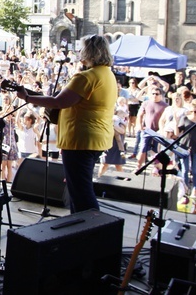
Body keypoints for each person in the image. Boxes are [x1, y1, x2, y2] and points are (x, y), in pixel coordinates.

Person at [12, 35, 117, 213]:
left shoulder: (87, 77)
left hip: (81, 140)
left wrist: (28, 97)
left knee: (81, 193)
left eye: (81, 49)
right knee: (79, 187)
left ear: (89, 51)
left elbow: (59, 102)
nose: (79, 52)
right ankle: (79, 227)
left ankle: (90, 230)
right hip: (97, 139)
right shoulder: (107, 74)